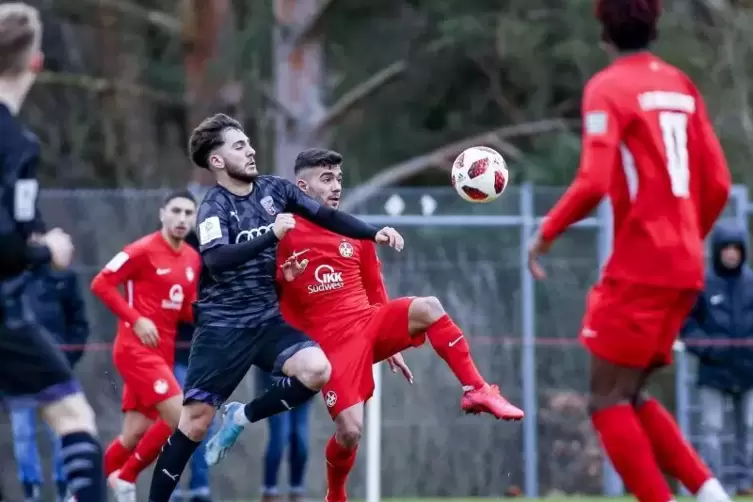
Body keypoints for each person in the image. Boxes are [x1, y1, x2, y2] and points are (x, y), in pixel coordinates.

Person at [526, 1, 734, 502]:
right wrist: (686, 239)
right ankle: (711, 494)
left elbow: (594, 179)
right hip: (685, 265)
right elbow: (720, 183)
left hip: (642, 264)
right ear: (655, 25)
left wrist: (546, 232)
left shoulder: (608, 87)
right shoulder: (680, 84)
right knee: (630, 394)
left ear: (604, 29)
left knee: (604, 399)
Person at [147, 113, 404, 502]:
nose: (250, 150)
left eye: (249, 143)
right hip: (222, 328)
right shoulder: (214, 207)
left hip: (267, 320)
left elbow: (328, 216)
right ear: (216, 161)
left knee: (317, 369)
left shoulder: (275, 190)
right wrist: (271, 234)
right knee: (195, 424)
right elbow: (215, 260)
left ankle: (241, 415)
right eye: (238, 146)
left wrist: (374, 232)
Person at [263, 148, 523, 502]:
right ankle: (335, 493)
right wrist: (281, 278)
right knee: (350, 432)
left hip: (369, 321)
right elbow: (263, 295)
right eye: (326, 179)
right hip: (330, 346)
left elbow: (375, 290)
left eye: (339, 178)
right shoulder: (281, 235)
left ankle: (476, 390)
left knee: (430, 307)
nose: (336, 186)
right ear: (302, 186)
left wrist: (390, 343)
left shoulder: (354, 232)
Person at [0, 4, 105, 501]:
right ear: (34, 62)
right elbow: (6, 246)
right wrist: (47, 251)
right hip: (4, 315)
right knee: (72, 416)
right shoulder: (16, 142)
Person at [91, 190, 200, 502]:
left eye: (188, 213)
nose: (181, 219)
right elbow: (101, 283)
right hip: (134, 349)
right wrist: (136, 319)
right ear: (162, 214)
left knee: (134, 434)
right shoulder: (141, 250)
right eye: (176, 211)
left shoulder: (192, 258)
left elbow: (186, 309)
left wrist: (219, 317)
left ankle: (81, 495)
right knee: (180, 417)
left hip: (161, 354)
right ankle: (125, 478)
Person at [9, 262, 90, 502]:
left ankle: (64, 488)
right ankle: (31, 489)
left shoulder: (62, 276)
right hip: (17, 372)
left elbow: (79, 322)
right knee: (22, 433)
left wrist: (66, 359)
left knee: (61, 431)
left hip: (54, 371)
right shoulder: (9, 279)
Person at [683, 220, 753, 494]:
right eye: (727, 248)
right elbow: (687, 325)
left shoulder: (751, 283)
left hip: (749, 371)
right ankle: (714, 487)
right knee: (712, 430)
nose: (732, 254)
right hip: (713, 372)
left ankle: (745, 483)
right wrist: (709, 347)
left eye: (736, 248)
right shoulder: (702, 284)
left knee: (748, 429)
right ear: (718, 251)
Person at [171, 228, 215, 502]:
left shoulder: (212, 258)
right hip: (175, 359)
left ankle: (200, 488)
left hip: (206, 360)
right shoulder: (170, 262)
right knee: (176, 422)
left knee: (203, 424)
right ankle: (172, 488)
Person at [257, 367, 312, 502]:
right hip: (274, 382)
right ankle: (269, 490)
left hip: (304, 382)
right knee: (280, 436)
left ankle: (296, 490)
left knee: (301, 440)